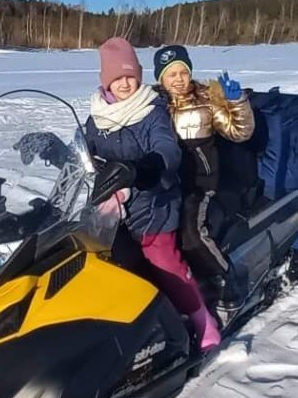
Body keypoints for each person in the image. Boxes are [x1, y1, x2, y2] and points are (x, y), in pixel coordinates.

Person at [85, 38, 222, 352]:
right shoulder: (97, 116)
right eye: (117, 77)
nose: (125, 83)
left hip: (154, 203)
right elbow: (83, 147)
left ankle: (201, 319)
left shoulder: (150, 111)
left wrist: (148, 165)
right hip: (112, 209)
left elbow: (166, 148)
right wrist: (53, 149)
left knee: (164, 264)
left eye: (130, 75)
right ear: (105, 80)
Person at [151, 43, 254, 281]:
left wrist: (237, 102)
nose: (179, 80)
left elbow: (240, 132)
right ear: (161, 78)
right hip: (165, 184)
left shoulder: (206, 100)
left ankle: (227, 277)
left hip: (199, 183)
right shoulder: (152, 105)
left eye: (183, 72)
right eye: (171, 74)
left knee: (191, 235)